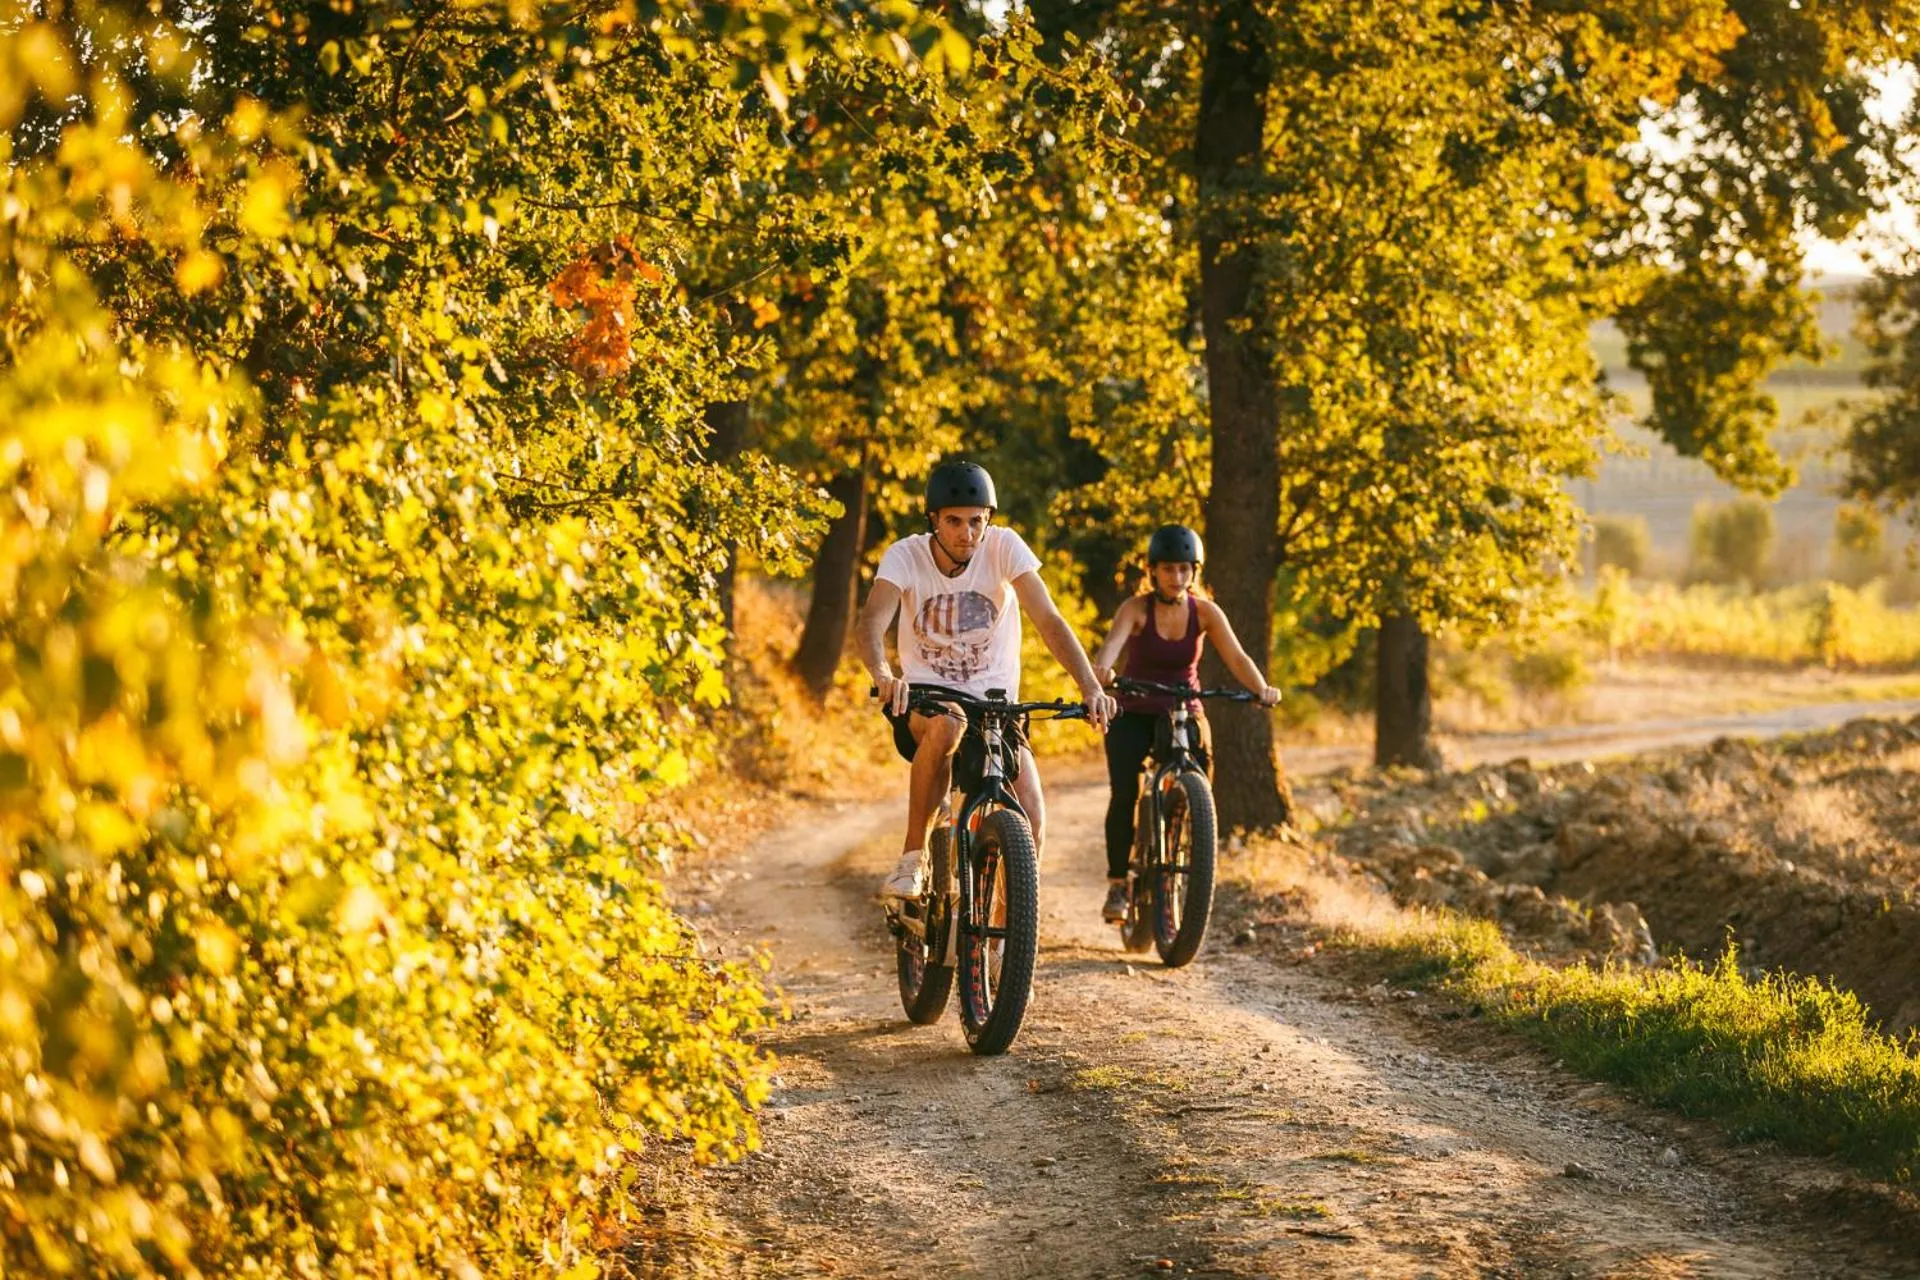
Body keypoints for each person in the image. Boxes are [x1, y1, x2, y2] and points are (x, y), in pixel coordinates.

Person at [856, 460, 1117, 898]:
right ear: (934, 520)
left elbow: (1049, 620)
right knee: (949, 723)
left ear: (989, 519)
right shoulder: (906, 554)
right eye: (954, 522)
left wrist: (1089, 685)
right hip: (926, 697)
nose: (967, 534)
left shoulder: (1004, 547)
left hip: (996, 706)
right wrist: (884, 673)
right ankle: (910, 859)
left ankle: (999, 947)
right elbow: (870, 622)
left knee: (1031, 817)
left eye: (976, 522)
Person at [1088, 524, 1281, 923]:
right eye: (1168, 569)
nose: (1177, 578)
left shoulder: (1205, 612)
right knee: (1123, 793)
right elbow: (1111, 648)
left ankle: (1185, 824)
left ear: (1194, 571)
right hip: (1135, 709)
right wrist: (1102, 673)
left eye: (1184, 569)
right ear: (1152, 570)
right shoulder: (1136, 609)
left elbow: (1238, 657)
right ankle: (1118, 883)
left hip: (1183, 707)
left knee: (1200, 773)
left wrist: (1262, 689)